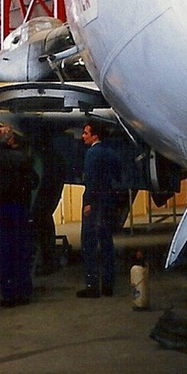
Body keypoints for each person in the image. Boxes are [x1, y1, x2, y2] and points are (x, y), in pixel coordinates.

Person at [0, 124, 38, 307]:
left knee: (5, 252)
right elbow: (34, 181)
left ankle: (9, 294)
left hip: (1, 209)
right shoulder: (23, 159)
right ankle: (24, 292)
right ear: (11, 139)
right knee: (21, 250)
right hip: (20, 208)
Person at [77, 121, 120, 298]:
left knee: (89, 243)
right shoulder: (111, 153)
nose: (83, 136)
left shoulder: (91, 154)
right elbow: (118, 174)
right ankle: (108, 285)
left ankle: (92, 286)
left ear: (95, 136)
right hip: (107, 199)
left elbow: (91, 181)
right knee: (107, 242)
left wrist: (88, 203)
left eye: (86, 133)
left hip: (95, 203)